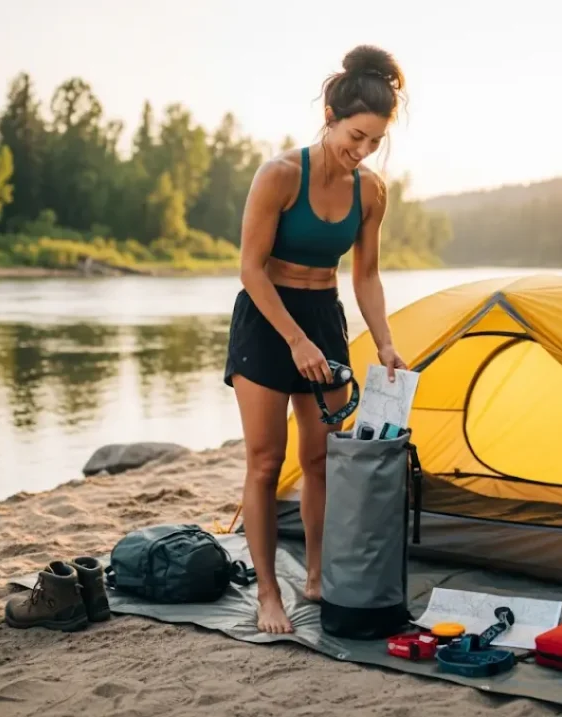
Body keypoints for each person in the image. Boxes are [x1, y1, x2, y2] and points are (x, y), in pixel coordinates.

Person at [223, 44, 409, 634]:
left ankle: (319, 574)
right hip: (267, 315)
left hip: (324, 317)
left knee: (321, 458)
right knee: (264, 462)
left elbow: (367, 274)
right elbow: (251, 268)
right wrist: (295, 342)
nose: (362, 151)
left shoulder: (372, 192)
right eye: (356, 136)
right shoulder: (280, 174)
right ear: (330, 113)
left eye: (374, 141)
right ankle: (269, 595)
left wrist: (382, 342)